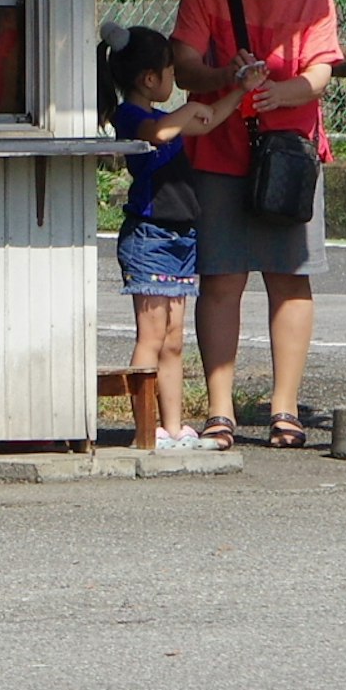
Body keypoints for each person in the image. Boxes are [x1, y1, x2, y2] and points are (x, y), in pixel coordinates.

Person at [171, 0, 344, 449]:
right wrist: (227, 75)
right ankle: (220, 409)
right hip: (220, 150)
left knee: (290, 278)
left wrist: (282, 92)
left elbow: (321, 71)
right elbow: (186, 69)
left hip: (291, 154)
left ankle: (284, 408)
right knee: (221, 278)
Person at [106, 27, 239, 450]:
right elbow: (158, 133)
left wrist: (240, 89)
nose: (173, 80)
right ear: (149, 79)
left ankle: (174, 426)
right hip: (149, 236)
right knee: (152, 335)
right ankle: (147, 429)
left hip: (181, 235)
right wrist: (187, 111)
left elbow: (208, 119)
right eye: (169, 72)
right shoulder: (130, 115)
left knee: (176, 337)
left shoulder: (169, 118)